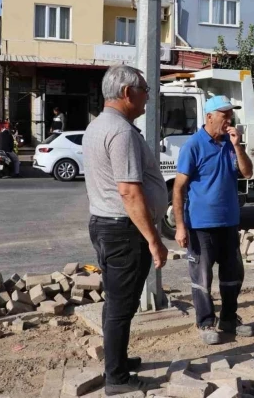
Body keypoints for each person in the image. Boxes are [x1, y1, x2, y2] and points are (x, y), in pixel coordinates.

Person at [82, 65, 169, 396]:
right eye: (146, 90)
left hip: (108, 226)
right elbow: (129, 191)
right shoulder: (119, 132)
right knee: (121, 306)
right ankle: (116, 377)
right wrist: (154, 240)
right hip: (123, 231)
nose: (149, 96)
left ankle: (116, 361)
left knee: (117, 302)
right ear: (128, 92)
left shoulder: (99, 125)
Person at [172, 95, 254, 345]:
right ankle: (206, 322)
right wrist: (180, 226)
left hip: (228, 223)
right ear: (209, 117)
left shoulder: (231, 143)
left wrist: (238, 146)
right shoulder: (193, 145)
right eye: (224, 114)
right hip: (201, 226)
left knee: (232, 275)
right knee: (202, 279)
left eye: (230, 114)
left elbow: (247, 172)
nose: (229, 119)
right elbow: (178, 188)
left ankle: (229, 319)